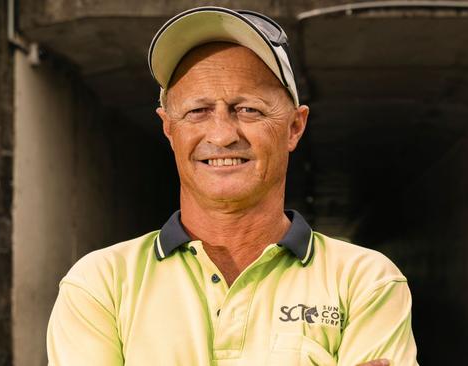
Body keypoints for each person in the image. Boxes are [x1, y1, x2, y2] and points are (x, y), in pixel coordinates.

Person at [47, 6, 418, 366]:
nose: (222, 135)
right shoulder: (102, 284)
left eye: (249, 109)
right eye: (197, 111)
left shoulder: (365, 281)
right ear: (168, 128)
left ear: (294, 127)